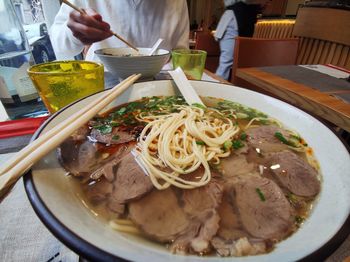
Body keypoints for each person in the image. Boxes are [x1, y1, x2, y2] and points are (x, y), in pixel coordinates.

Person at [50, 0, 189, 61]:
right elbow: (60, 47)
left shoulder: (177, 1)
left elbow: (182, 54)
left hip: (156, 85)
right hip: (101, 85)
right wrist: (75, 33)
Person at [214, 0, 266, 80]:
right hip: (235, 17)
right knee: (226, 63)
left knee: (236, 63)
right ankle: (217, 88)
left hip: (244, 16)